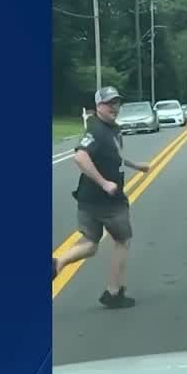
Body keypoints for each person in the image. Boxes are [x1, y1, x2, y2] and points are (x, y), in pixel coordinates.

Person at [53, 86, 152, 307]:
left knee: (90, 243)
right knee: (122, 240)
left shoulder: (112, 129)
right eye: (109, 104)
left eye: (116, 103)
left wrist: (136, 166)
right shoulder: (97, 131)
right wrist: (105, 183)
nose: (114, 108)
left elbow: (114, 156)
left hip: (88, 199)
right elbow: (80, 157)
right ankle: (114, 293)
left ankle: (57, 262)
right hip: (107, 201)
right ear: (98, 106)